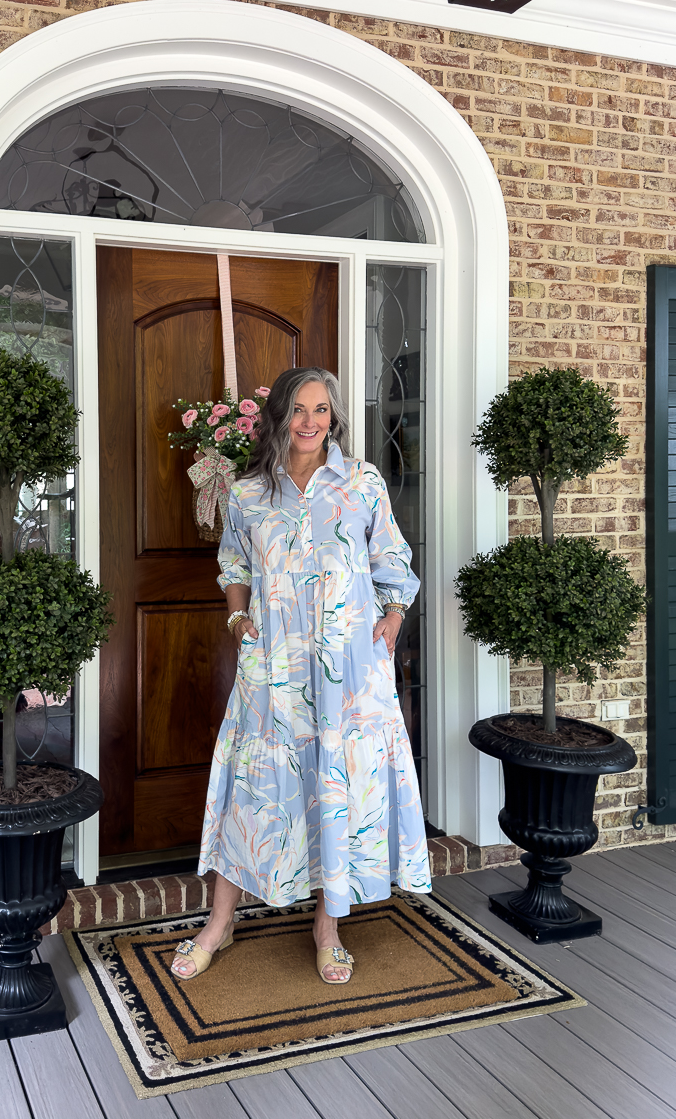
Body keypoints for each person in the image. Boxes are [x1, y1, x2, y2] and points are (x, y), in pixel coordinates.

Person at [171, 367, 431, 985]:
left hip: (352, 669)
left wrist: (393, 618)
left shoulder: (362, 482)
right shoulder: (247, 493)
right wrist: (238, 618)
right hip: (273, 667)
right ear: (279, 417)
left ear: (333, 416)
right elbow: (232, 561)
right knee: (255, 784)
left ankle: (327, 925)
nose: (310, 422)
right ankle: (220, 922)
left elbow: (391, 556)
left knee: (335, 784)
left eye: (321, 410)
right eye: (299, 409)